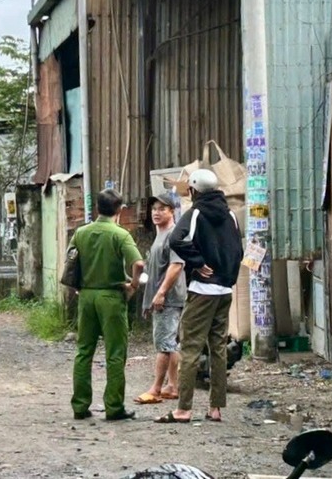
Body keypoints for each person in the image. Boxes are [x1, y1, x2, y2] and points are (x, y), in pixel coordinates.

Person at [155, 169, 243, 424]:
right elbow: (237, 250)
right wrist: (228, 276)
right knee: (218, 348)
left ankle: (183, 409)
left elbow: (176, 239)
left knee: (190, 347)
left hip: (202, 291)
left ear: (193, 190)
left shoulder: (195, 213)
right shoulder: (230, 215)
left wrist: (197, 262)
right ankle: (216, 408)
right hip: (224, 291)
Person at [70, 188, 145, 421]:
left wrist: (78, 285)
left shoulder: (81, 232)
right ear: (119, 209)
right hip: (111, 298)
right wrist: (133, 285)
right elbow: (138, 264)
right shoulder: (120, 234)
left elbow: (71, 262)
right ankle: (113, 406)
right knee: (115, 353)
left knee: (84, 351)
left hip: (86, 296)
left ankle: (80, 406)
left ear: (97, 208)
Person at [134, 193, 186, 405]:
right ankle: (172, 386)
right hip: (162, 297)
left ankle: (155, 389)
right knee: (170, 343)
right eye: (154, 209)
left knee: (163, 344)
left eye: (162, 209)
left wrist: (161, 293)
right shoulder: (160, 234)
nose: (156, 213)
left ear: (172, 211)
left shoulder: (173, 235)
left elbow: (176, 266)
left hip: (169, 298)